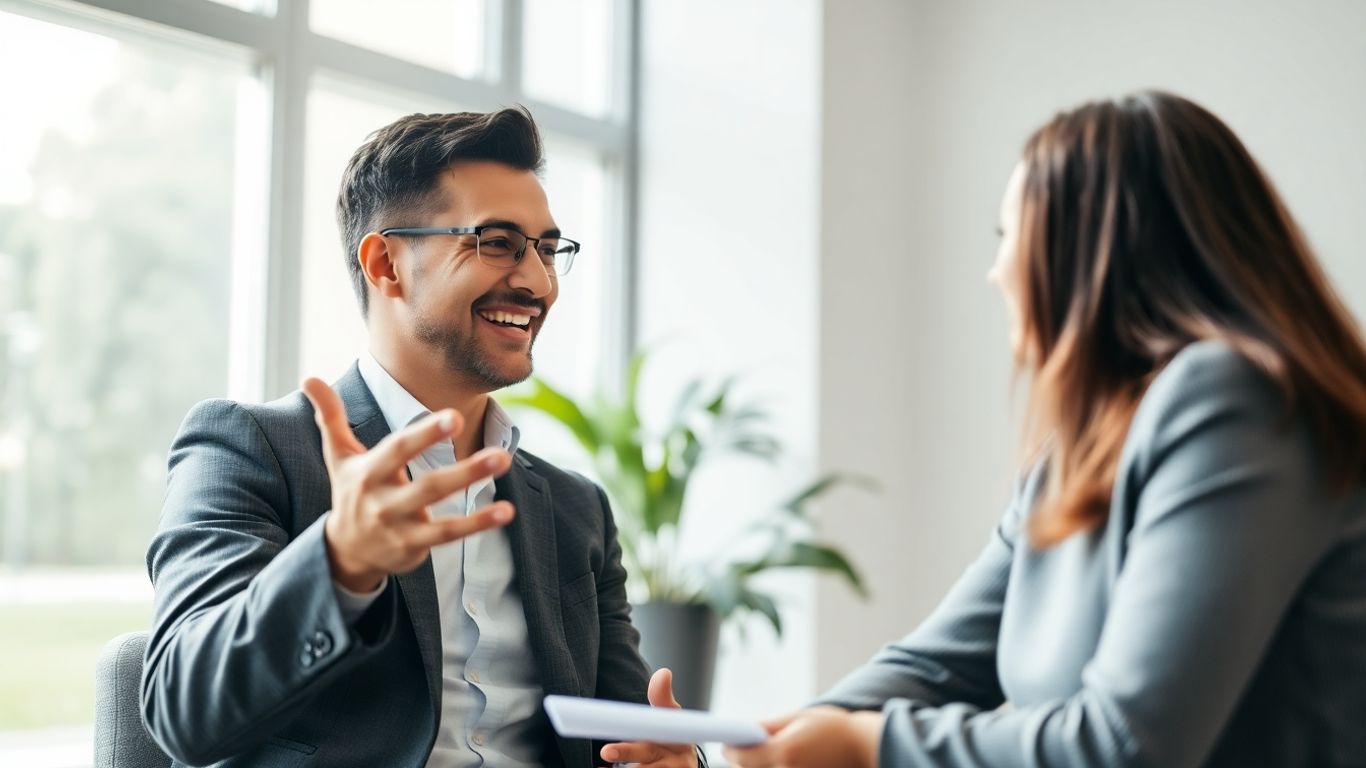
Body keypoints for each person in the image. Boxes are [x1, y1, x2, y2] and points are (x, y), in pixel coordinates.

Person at [725, 91, 1366, 767]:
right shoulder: (1074, 461)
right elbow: (934, 666)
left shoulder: (1237, 400)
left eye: (1009, 239)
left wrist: (865, 746)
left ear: (1084, 253)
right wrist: (752, 747)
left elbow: (1125, 746)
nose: (997, 272)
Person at [143, 107, 698, 768]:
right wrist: (340, 561)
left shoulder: (577, 510)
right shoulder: (251, 450)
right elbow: (181, 709)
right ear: (386, 264)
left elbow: (630, 736)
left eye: (548, 249)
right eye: (497, 242)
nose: (537, 282)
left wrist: (674, 762)